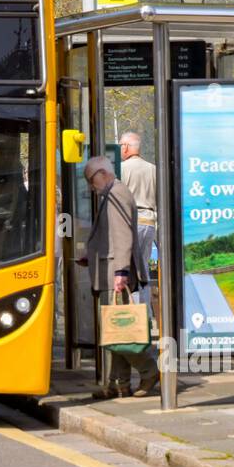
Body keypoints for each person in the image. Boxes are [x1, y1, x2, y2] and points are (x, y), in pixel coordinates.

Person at [81, 155, 158, 399]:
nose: (91, 187)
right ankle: (119, 384)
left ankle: (150, 370)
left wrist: (121, 272)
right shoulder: (112, 192)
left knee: (122, 330)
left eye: (91, 181)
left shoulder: (117, 193)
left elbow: (123, 234)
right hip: (110, 270)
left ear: (102, 173)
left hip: (115, 273)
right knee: (116, 331)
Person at [119, 132, 157, 292]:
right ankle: (145, 312)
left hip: (131, 224)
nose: (120, 148)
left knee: (130, 273)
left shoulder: (121, 169)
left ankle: (135, 313)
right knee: (143, 271)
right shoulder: (153, 169)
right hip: (149, 224)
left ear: (126, 147)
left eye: (121, 145)